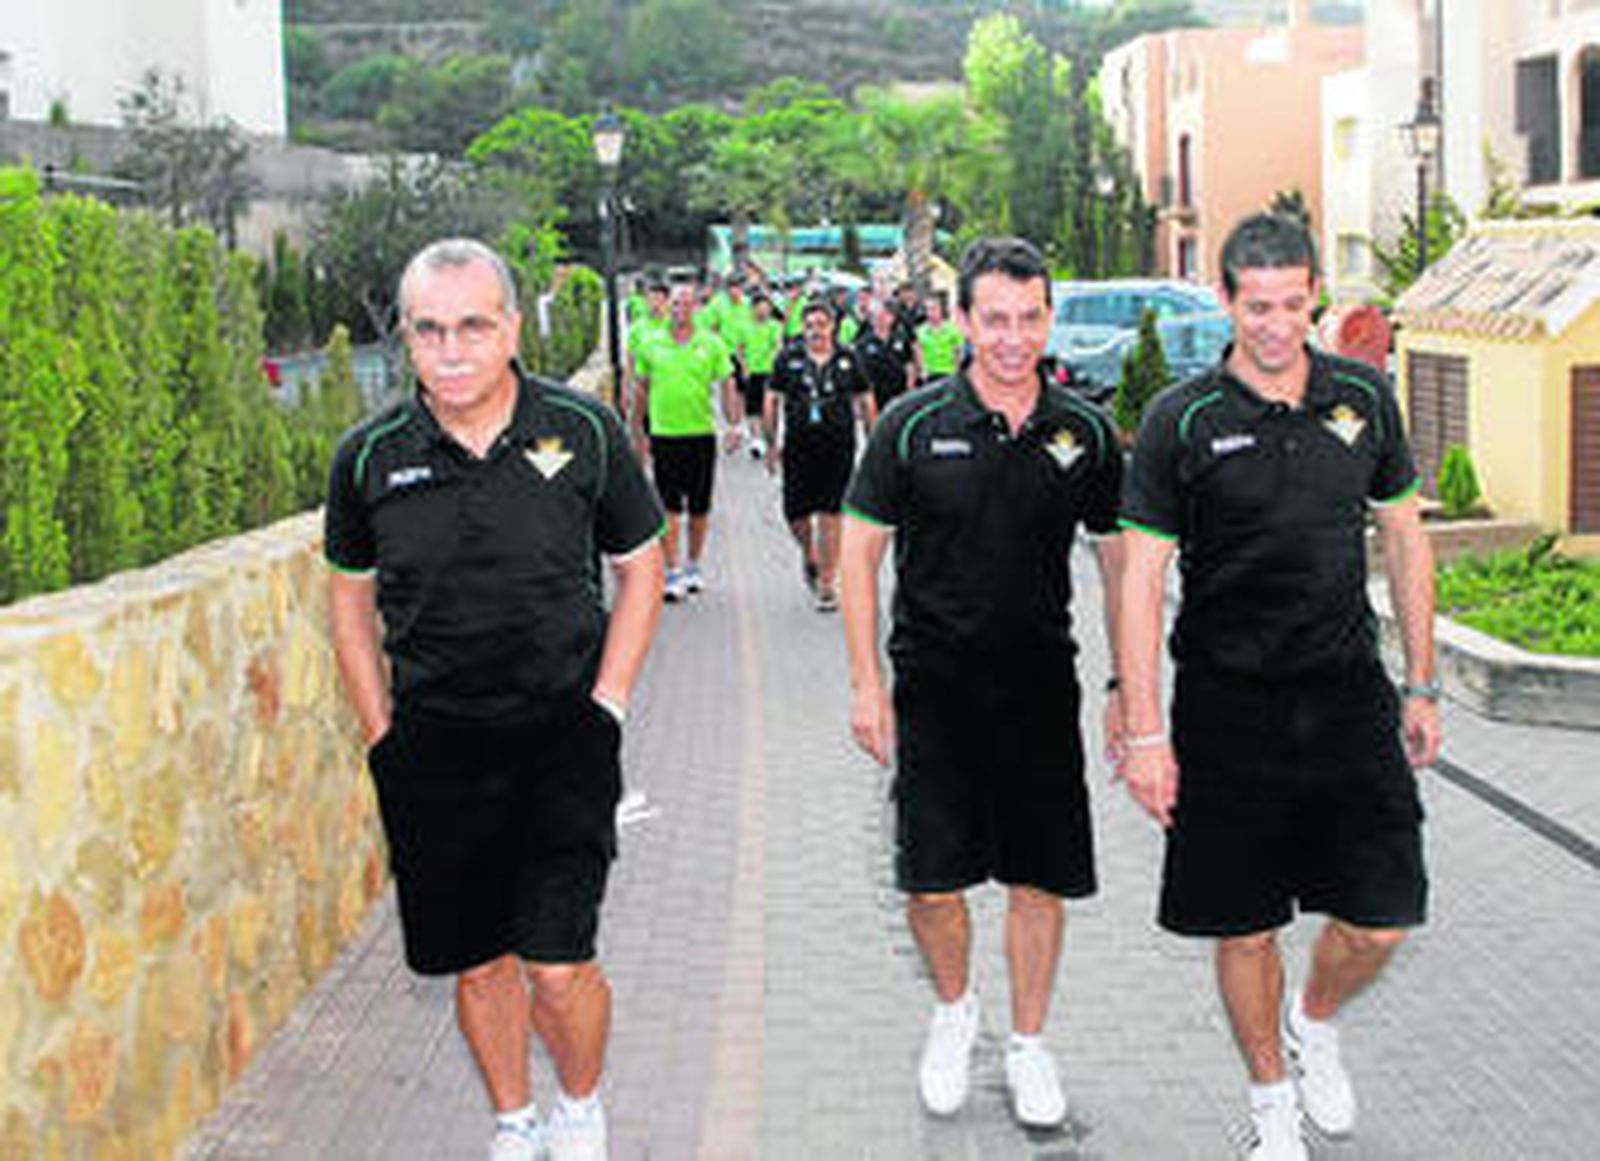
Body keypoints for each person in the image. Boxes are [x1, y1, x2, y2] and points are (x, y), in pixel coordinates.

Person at [324, 238, 666, 1161]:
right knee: (479, 962)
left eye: (474, 325)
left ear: (511, 327)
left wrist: (611, 705)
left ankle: (580, 1106)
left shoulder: (583, 432)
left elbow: (641, 569)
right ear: (407, 338)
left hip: (563, 740)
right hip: (434, 750)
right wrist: (382, 735)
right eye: (430, 330)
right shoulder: (368, 459)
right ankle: (515, 1120)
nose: (453, 349)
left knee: (557, 965)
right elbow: (348, 603)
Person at [1115, 213, 1439, 1161]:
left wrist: (1421, 683)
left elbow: (1407, 539)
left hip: (1346, 697)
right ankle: (1271, 1111)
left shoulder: (1363, 400)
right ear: (1225, 301)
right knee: (1246, 925)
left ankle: (1316, 1017)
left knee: (1382, 916)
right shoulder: (1183, 419)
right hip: (1226, 710)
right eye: (1256, 307)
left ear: (1313, 301)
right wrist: (1144, 732)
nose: (1274, 325)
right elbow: (1139, 581)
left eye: (1293, 305)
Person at [840, 237, 1124, 1130]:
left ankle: (1030, 1043)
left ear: (1048, 318)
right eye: (993, 318)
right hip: (933, 691)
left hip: (1043, 691)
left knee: (1038, 879)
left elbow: (1121, 566)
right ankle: (957, 1010)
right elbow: (857, 554)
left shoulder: (1085, 432)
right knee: (933, 884)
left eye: (1028, 318)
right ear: (960, 320)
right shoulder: (912, 427)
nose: (1011, 337)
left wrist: (1127, 689)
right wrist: (865, 683)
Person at [764, 298, 877, 611]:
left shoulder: (849, 359)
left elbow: (866, 400)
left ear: (833, 326)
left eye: (821, 324)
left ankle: (827, 582)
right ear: (803, 327)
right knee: (795, 516)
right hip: (798, 447)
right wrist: (771, 443)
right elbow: (772, 399)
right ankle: (810, 554)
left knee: (831, 513)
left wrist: (873, 444)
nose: (816, 331)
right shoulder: (788, 359)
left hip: (838, 447)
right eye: (810, 325)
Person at [631, 282, 739, 602]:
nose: (681, 309)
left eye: (687, 304)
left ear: (696, 309)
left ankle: (694, 564)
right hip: (664, 434)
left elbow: (727, 383)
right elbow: (641, 388)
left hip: (701, 434)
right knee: (669, 506)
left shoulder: (712, 343)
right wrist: (637, 430)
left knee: (700, 508)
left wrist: (733, 425)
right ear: (669, 307)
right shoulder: (651, 344)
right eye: (676, 304)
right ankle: (673, 569)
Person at [853, 294, 918, 412]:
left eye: (885, 315)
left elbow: (909, 363)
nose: (881, 319)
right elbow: (859, 371)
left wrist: (911, 385)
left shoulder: (901, 338)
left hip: (899, 392)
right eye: (877, 316)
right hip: (875, 394)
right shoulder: (864, 342)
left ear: (892, 318)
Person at [741, 293, 784, 457]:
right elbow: (740, 348)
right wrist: (744, 366)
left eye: (766, 307)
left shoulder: (774, 326)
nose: (763, 310)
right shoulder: (744, 326)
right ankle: (756, 440)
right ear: (753, 309)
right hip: (752, 373)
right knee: (752, 409)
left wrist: (774, 364)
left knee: (770, 408)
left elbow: (778, 346)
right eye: (759, 307)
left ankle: (771, 440)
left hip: (769, 373)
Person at [915, 291, 964, 385]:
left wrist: (956, 369)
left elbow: (958, 351)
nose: (930, 313)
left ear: (941, 310)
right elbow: (919, 352)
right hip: (930, 373)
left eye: (933, 309)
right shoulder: (920, 331)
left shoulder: (952, 329)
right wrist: (922, 370)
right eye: (927, 309)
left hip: (948, 372)